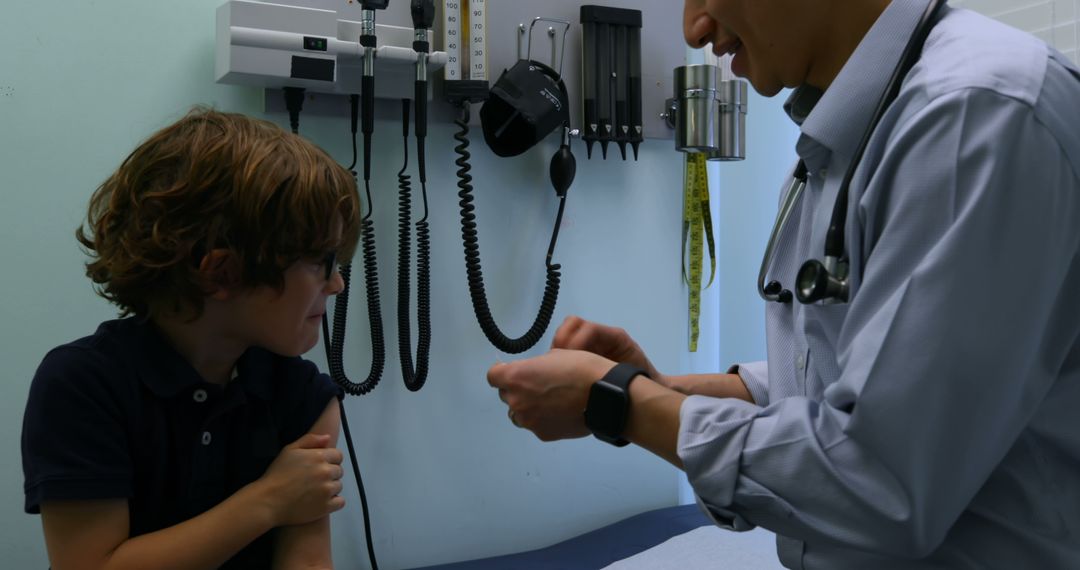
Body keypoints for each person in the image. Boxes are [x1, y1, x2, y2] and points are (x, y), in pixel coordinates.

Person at [487, 0, 1080, 567]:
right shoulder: (848, 137)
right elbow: (843, 385)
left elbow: (882, 480)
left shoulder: (975, 115)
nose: (694, 28)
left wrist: (620, 402)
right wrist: (659, 388)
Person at [21, 108, 361, 569]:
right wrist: (267, 501)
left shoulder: (303, 396)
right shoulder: (83, 385)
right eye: (321, 260)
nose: (336, 283)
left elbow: (306, 563)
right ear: (222, 272)